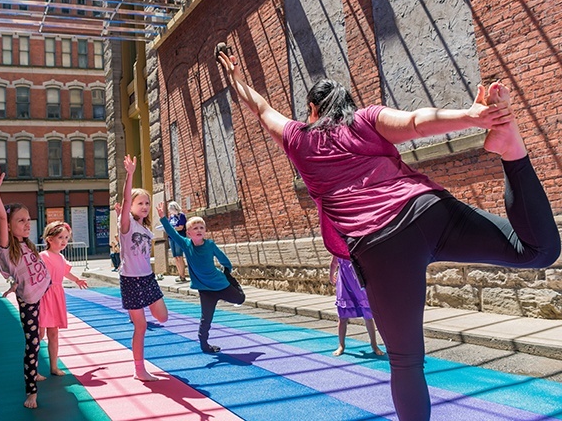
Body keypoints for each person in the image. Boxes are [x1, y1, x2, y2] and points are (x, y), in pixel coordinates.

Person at [217, 49, 560, 421]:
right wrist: (472, 117)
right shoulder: (365, 119)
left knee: (407, 362)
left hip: (381, 247)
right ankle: (511, 150)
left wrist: (235, 78)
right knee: (537, 250)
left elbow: (262, 109)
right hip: (427, 211)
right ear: (346, 103)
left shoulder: (299, 138)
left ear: (312, 111)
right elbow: (415, 122)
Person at [0, 165, 51, 409]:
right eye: (21, 221)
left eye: (28, 220)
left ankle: (35, 372)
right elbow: (2, 217)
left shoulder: (26, 245)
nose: (27, 224)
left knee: (42, 336)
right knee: (33, 342)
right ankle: (31, 391)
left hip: (45, 292)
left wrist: (14, 284)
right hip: (30, 301)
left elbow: (25, 273)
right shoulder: (6, 246)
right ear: (9, 225)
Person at [157, 203, 245, 353]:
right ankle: (204, 344)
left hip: (220, 284)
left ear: (204, 231)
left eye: (201, 228)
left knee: (240, 299)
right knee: (206, 318)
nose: (199, 230)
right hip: (205, 289)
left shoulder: (210, 244)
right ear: (188, 233)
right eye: (195, 228)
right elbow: (172, 233)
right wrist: (163, 218)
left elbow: (223, 259)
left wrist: (227, 270)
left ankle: (233, 286)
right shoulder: (185, 244)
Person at [118, 154, 168, 381]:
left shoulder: (145, 228)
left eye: (147, 202)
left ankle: (138, 311)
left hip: (148, 278)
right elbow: (127, 201)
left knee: (163, 317)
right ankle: (139, 370)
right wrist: (130, 175)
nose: (145, 206)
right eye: (141, 203)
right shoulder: (126, 224)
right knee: (141, 326)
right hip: (130, 279)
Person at [38, 221, 88, 376]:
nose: (64, 241)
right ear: (49, 239)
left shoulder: (60, 257)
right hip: (44, 296)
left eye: (66, 237)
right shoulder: (43, 256)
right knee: (39, 334)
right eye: (60, 237)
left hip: (57, 295)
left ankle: (53, 366)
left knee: (54, 333)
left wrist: (77, 280)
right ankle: (32, 367)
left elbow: (65, 272)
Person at [329, 256, 384, 357]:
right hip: (344, 284)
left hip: (359, 283)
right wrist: (331, 275)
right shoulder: (338, 247)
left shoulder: (356, 245)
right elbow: (334, 263)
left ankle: (374, 345)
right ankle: (341, 345)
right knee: (342, 318)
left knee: (368, 316)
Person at [167, 201, 188, 283]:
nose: (170, 211)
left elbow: (181, 227)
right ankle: (179, 275)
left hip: (179, 237)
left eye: (171, 209)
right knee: (175, 257)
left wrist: (172, 229)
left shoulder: (181, 215)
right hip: (171, 238)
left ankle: (183, 275)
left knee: (179, 256)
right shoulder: (171, 217)